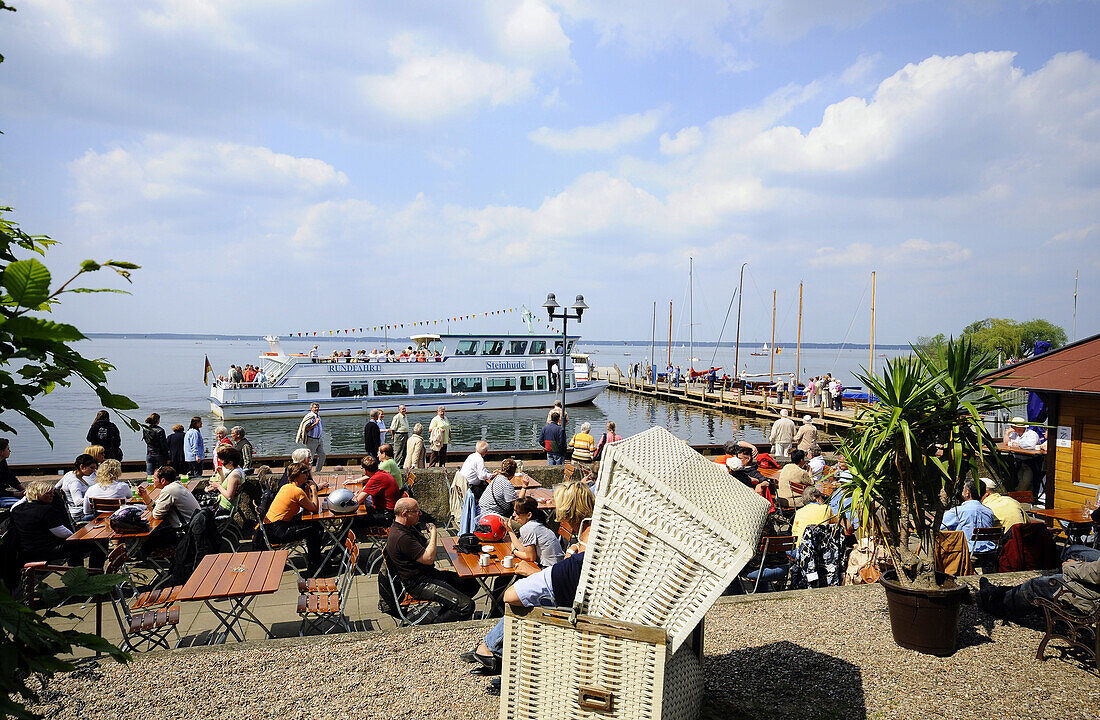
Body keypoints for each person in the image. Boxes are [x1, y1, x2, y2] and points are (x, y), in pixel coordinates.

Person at [384, 497, 478, 624]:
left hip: (429, 574)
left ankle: (449, 607)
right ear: (404, 514)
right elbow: (428, 558)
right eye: (416, 511)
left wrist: (430, 540)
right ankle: (433, 625)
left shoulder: (408, 527)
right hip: (419, 584)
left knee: (471, 583)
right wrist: (434, 533)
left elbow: (426, 545)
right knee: (466, 606)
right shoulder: (401, 537)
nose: (420, 514)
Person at [977, 548, 1100, 620]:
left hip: (1095, 595)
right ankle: (1004, 591)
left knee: (1034, 586)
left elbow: (1096, 573)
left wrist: (1070, 567)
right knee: (1073, 550)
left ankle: (992, 601)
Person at [263, 461, 322, 575]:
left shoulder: (286, 487)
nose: (307, 475)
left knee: (313, 525)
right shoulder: (297, 491)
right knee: (315, 529)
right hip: (278, 532)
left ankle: (316, 560)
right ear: (296, 475)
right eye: (304, 473)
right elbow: (314, 508)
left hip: (269, 529)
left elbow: (306, 507)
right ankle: (314, 567)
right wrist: (314, 490)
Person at [11, 481, 75, 563]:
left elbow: (15, 506)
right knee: (83, 545)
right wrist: (75, 537)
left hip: (26, 551)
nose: (53, 495)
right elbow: (63, 533)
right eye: (48, 493)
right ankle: (78, 571)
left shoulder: (17, 509)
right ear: (38, 495)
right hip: (46, 551)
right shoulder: (46, 510)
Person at [144, 465, 202, 554]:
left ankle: (172, 561)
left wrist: (149, 504)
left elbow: (157, 515)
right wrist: (145, 497)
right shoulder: (176, 485)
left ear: (163, 480)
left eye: (154, 478)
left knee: (147, 542)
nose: (152, 480)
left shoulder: (168, 490)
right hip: (194, 526)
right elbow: (158, 505)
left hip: (185, 531)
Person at [507, 496, 564, 569]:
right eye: (514, 511)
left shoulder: (528, 528)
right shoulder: (535, 524)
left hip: (549, 569)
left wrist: (514, 552)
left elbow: (530, 557)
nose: (514, 515)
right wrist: (510, 530)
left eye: (517, 513)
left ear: (529, 515)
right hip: (557, 566)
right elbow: (524, 550)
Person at [941, 480, 997, 553]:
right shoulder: (989, 511)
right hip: (989, 551)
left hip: (965, 552)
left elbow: (939, 526)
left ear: (967, 492)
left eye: (963, 488)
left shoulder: (958, 511)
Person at [352, 454, 401, 526]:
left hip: (387, 515)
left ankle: (343, 536)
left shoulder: (376, 479)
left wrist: (355, 496)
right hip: (390, 511)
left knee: (353, 519)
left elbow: (358, 501)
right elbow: (364, 491)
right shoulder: (381, 473)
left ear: (365, 470)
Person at [55, 453, 99, 523]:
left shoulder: (69, 474)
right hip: (81, 515)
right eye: (91, 468)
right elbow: (77, 501)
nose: (94, 470)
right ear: (82, 467)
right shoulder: (75, 483)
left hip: (74, 511)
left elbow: (56, 488)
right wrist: (95, 500)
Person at [207, 445, 244, 514]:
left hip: (225, 508)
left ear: (230, 463)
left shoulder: (234, 475)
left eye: (223, 463)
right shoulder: (238, 470)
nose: (222, 465)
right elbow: (227, 487)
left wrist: (217, 486)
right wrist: (221, 473)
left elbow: (229, 497)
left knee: (200, 511)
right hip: (223, 505)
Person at [296, 403, 326, 471]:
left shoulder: (317, 416)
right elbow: (306, 428)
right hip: (311, 440)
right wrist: (315, 423)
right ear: (311, 408)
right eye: (315, 407)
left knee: (322, 455)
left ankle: (318, 471)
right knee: (310, 458)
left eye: (318, 407)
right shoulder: (310, 416)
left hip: (319, 439)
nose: (317, 409)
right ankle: (308, 472)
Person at [0, 438, 24, 507]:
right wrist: (16, 494)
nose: (10, 451)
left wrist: (23, 489)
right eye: (8, 449)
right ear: (1, 452)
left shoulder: (2, 461)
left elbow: (10, 477)